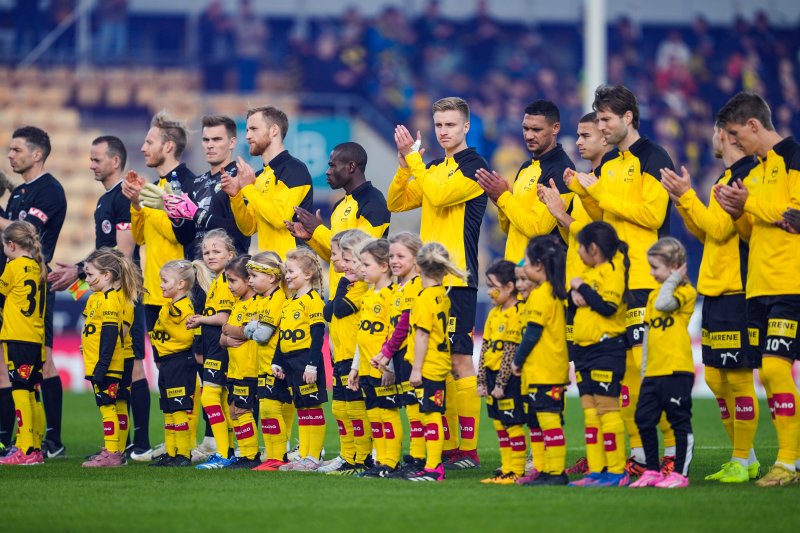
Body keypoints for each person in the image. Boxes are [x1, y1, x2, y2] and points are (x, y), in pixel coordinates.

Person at [568, 86, 675, 476]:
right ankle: (641, 454)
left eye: (607, 120)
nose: (602, 126)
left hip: (648, 278)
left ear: (628, 117)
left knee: (648, 370)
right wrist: (586, 192)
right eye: (599, 119)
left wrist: (602, 192)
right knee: (627, 374)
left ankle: (674, 450)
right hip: (617, 282)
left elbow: (651, 215)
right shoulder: (610, 162)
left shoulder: (653, 157)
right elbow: (604, 220)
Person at [388, 97, 488, 469]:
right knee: (433, 362)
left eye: (450, 125)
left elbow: (439, 194)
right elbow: (397, 201)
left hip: (458, 278)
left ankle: (469, 448)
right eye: (439, 125)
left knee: (460, 359)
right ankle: (444, 444)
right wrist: (404, 166)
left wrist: (414, 161)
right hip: (428, 282)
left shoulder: (474, 167)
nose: (443, 131)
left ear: (465, 127)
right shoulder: (432, 166)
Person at [661, 124, 762, 483]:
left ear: (727, 134)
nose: (712, 138)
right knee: (718, 381)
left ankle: (741, 458)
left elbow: (720, 230)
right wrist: (683, 202)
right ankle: (746, 457)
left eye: (716, 132)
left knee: (737, 378)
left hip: (737, 291)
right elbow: (706, 233)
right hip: (716, 290)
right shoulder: (727, 176)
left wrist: (688, 196)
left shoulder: (747, 175)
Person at [48, 135, 153, 461]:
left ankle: (142, 443)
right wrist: (79, 272)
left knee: (133, 367)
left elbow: (122, 253)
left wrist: (80, 270)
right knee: (124, 369)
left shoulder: (122, 196)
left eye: (96, 159)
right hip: (114, 291)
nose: (91, 165)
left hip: (125, 294)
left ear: (115, 161)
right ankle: (126, 444)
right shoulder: (105, 199)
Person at [713, 92, 800, 487]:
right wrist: (738, 211)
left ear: (753, 125)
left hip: (790, 284)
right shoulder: (760, 170)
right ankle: (787, 461)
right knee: (769, 374)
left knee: (775, 369)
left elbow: (795, 218)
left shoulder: (794, 158)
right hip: (759, 286)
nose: (733, 142)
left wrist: (751, 201)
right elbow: (753, 232)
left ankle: (788, 463)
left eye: (734, 133)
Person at [0, 126, 67, 459]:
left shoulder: (49, 190)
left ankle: (50, 439)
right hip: (12, 284)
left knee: (44, 361)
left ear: (37, 153)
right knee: (9, 363)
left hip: (35, 283)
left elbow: (27, 235)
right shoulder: (17, 194)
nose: (10, 155)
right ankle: (15, 438)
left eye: (16, 150)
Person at [568, 222, 631, 487]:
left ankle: (617, 471)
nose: (578, 252)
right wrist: (577, 291)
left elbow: (607, 306)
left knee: (607, 411)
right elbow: (579, 299)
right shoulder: (590, 272)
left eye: (580, 247)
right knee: (591, 415)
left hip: (606, 350)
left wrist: (581, 289)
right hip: (584, 350)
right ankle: (596, 471)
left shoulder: (613, 270)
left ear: (592, 248)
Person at [629, 238, 696, 489]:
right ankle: (653, 471)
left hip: (676, 369)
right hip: (654, 372)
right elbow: (647, 334)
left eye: (655, 267)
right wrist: (645, 370)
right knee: (643, 419)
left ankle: (680, 474)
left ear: (674, 267)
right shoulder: (654, 295)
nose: (650, 272)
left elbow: (664, 304)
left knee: (679, 421)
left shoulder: (685, 292)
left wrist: (674, 279)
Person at [475, 99, 576, 262]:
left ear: (555, 128)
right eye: (526, 128)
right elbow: (510, 228)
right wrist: (499, 201)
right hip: (516, 270)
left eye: (536, 129)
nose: (529, 135)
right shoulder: (526, 167)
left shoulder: (561, 171)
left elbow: (537, 230)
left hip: (541, 274)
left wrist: (504, 198)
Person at [287, 141, 391, 291]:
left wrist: (318, 230)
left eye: (333, 165)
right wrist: (312, 237)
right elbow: (335, 258)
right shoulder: (340, 205)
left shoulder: (373, 202)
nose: (328, 171)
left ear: (351, 167)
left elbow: (360, 252)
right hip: (337, 294)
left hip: (359, 299)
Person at [405, 242, 468, 482]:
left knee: (430, 415)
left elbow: (422, 335)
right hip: (440, 362)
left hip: (429, 365)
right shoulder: (443, 294)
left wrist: (417, 369)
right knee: (431, 414)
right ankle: (430, 464)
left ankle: (433, 467)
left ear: (419, 268)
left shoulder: (423, 299)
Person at [512, 236, 570, 486]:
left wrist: (517, 360)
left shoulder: (540, 295)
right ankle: (546, 469)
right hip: (547, 368)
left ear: (537, 266)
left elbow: (532, 334)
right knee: (541, 421)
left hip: (545, 369)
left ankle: (556, 472)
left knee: (548, 421)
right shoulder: (553, 292)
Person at [222, 106, 312, 259]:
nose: (247, 136)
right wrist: (236, 196)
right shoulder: (259, 177)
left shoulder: (295, 169)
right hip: (267, 268)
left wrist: (248, 188)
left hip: (294, 267)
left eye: (254, 129)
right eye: (247, 130)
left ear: (274, 130)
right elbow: (249, 228)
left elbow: (279, 219)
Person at [79, 248, 141, 468]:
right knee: (119, 404)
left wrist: (102, 361)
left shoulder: (117, 299)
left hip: (115, 358)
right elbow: (93, 327)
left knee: (110, 405)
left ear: (107, 275)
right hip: (112, 357)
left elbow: (117, 333)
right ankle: (117, 450)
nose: (86, 280)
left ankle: (113, 452)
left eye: (90, 275)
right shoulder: (97, 297)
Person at [372, 232, 426, 478]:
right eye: (391, 255)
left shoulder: (417, 286)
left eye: (400, 256)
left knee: (417, 409)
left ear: (416, 259)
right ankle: (416, 456)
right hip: (402, 356)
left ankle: (420, 458)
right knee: (411, 407)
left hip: (415, 355)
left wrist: (385, 353)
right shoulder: (398, 287)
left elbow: (403, 325)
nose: (394, 260)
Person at [320, 230, 372, 475]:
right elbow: (327, 312)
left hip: (355, 356)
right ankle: (348, 456)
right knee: (340, 409)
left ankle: (362, 458)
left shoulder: (360, 287)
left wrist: (340, 286)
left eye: (342, 256)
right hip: (340, 355)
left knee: (356, 409)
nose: (337, 260)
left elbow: (337, 309)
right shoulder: (348, 285)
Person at [164, 115, 250, 256]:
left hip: (229, 270)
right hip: (198, 270)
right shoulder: (196, 183)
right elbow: (185, 238)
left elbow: (240, 231)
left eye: (216, 139)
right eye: (206, 140)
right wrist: (176, 218)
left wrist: (197, 213)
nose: (210, 145)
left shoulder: (240, 177)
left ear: (232, 143)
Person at [350, 238, 401, 477]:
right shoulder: (368, 295)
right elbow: (362, 336)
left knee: (387, 413)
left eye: (366, 264)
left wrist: (388, 365)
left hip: (383, 367)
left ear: (383, 266)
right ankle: (381, 460)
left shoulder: (393, 295)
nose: (361, 269)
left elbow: (393, 333)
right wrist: (355, 367)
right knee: (374, 414)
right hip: (367, 367)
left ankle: (391, 461)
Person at [275, 248, 327, 472]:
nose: (287, 276)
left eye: (291, 271)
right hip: (291, 362)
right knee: (302, 409)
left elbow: (317, 336)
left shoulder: (313, 301)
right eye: (287, 271)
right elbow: (282, 335)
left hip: (307, 361)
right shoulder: (288, 302)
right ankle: (304, 455)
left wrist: (312, 365)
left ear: (307, 275)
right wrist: (278, 360)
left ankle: (313, 457)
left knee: (313, 408)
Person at [0, 222, 48, 465]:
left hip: (17, 337)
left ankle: (26, 450)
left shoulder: (14, 266)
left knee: (20, 391)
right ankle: (35, 448)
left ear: (12, 245)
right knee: (32, 392)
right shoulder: (39, 266)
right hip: (35, 338)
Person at [148, 261, 202, 468]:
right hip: (168, 363)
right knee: (169, 408)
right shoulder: (168, 308)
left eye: (165, 281)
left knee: (180, 407)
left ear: (180, 284)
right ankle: (171, 452)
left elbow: (187, 337)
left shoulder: (184, 308)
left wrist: (166, 330)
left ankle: (183, 453)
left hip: (181, 361)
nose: (161, 285)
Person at [190, 230, 237, 470]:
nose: (210, 256)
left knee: (211, 397)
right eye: (206, 252)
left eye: (216, 251)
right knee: (222, 398)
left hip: (221, 347)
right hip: (213, 347)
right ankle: (227, 450)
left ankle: (225, 451)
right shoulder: (218, 281)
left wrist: (201, 320)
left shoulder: (229, 281)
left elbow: (223, 317)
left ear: (230, 254)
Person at [478, 260, 525, 484]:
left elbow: (510, 351)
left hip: (509, 379)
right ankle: (506, 468)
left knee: (512, 424)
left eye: (493, 286)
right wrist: (481, 380)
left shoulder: (519, 312)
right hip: (491, 376)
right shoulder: (493, 313)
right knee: (499, 423)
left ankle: (517, 469)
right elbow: (485, 348)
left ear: (509, 287)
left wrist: (500, 384)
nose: (489, 291)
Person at [246, 252, 292, 472]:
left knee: (271, 411)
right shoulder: (264, 300)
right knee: (265, 412)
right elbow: (252, 328)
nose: (250, 280)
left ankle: (279, 456)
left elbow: (261, 335)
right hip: (263, 366)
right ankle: (272, 456)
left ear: (272, 277)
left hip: (274, 366)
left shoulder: (277, 299)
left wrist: (252, 327)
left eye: (254, 275)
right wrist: (253, 327)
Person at [219, 255, 261, 469]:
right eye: (227, 280)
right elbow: (223, 338)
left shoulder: (257, 304)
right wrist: (227, 334)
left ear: (248, 280)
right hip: (234, 369)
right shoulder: (237, 305)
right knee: (234, 411)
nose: (229, 286)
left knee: (244, 411)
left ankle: (251, 454)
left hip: (249, 368)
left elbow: (247, 332)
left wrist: (229, 330)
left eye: (233, 280)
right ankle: (244, 452)